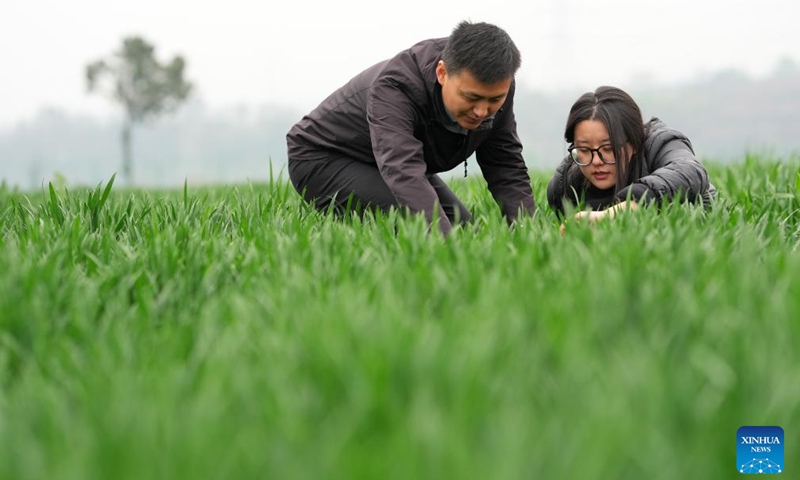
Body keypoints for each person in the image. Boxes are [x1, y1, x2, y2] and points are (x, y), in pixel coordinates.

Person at [286, 21, 536, 235]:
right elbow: (402, 167)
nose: (482, 111)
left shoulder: (499, 86)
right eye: (471, 97)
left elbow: (505, 165)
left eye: (494, 100)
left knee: (464, 230)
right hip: (323, 158)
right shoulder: (396, 88)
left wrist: (529, 236)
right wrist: (444, 247)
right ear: (442, 73)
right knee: (429, 232)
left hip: (382, 160)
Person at [546, 86, 716, 223]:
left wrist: (614, 213)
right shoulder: (564, 188)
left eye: (609, 148)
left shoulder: (661, 143)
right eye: (584, 149)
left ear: (634, 142)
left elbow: (690, 171)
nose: (596, 161)